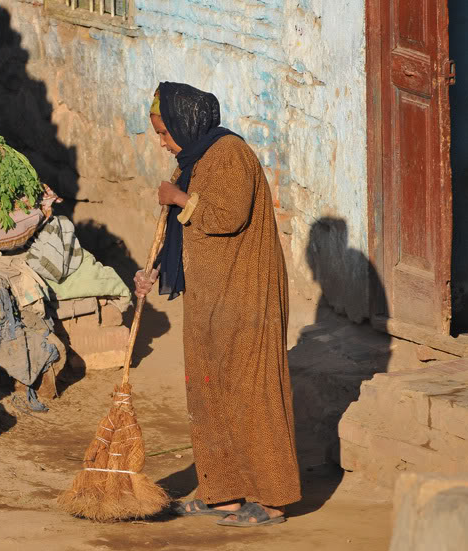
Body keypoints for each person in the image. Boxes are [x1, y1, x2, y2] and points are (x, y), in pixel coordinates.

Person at [134, 82, 301, 527]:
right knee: (208, 390)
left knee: (252, 390)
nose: (162, 142)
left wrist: (179, 198)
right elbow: (181, 235)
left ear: (186, 123)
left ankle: (272, 498)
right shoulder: (194, 160)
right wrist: (150, 273)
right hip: (210, 296)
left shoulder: (229, 154)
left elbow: (227, 216)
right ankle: (222, 492)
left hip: (245, 295)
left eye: (165, 132)